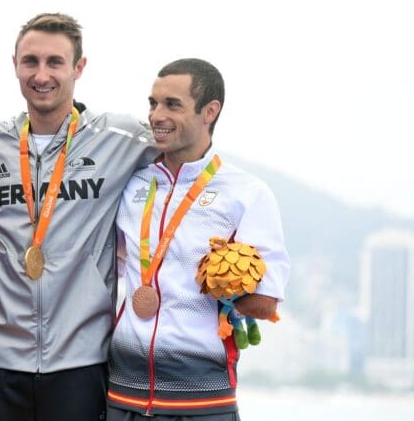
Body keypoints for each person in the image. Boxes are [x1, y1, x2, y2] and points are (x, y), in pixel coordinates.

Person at [0, 12, 157, 420]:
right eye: (30, 61)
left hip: (80, 359)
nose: (41, 74)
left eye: (55, 62)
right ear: (14, 65)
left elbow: (184, 148)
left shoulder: (119, 138)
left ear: (79, 67)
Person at [106, 58, 291, 420]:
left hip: (202, 401)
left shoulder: (246, 193)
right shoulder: (131, 184)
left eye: (172, 105)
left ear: (210, 111)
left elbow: (265, 304)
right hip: (122, 393)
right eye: (153, 103)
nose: (157, 115)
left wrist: (226, 281)